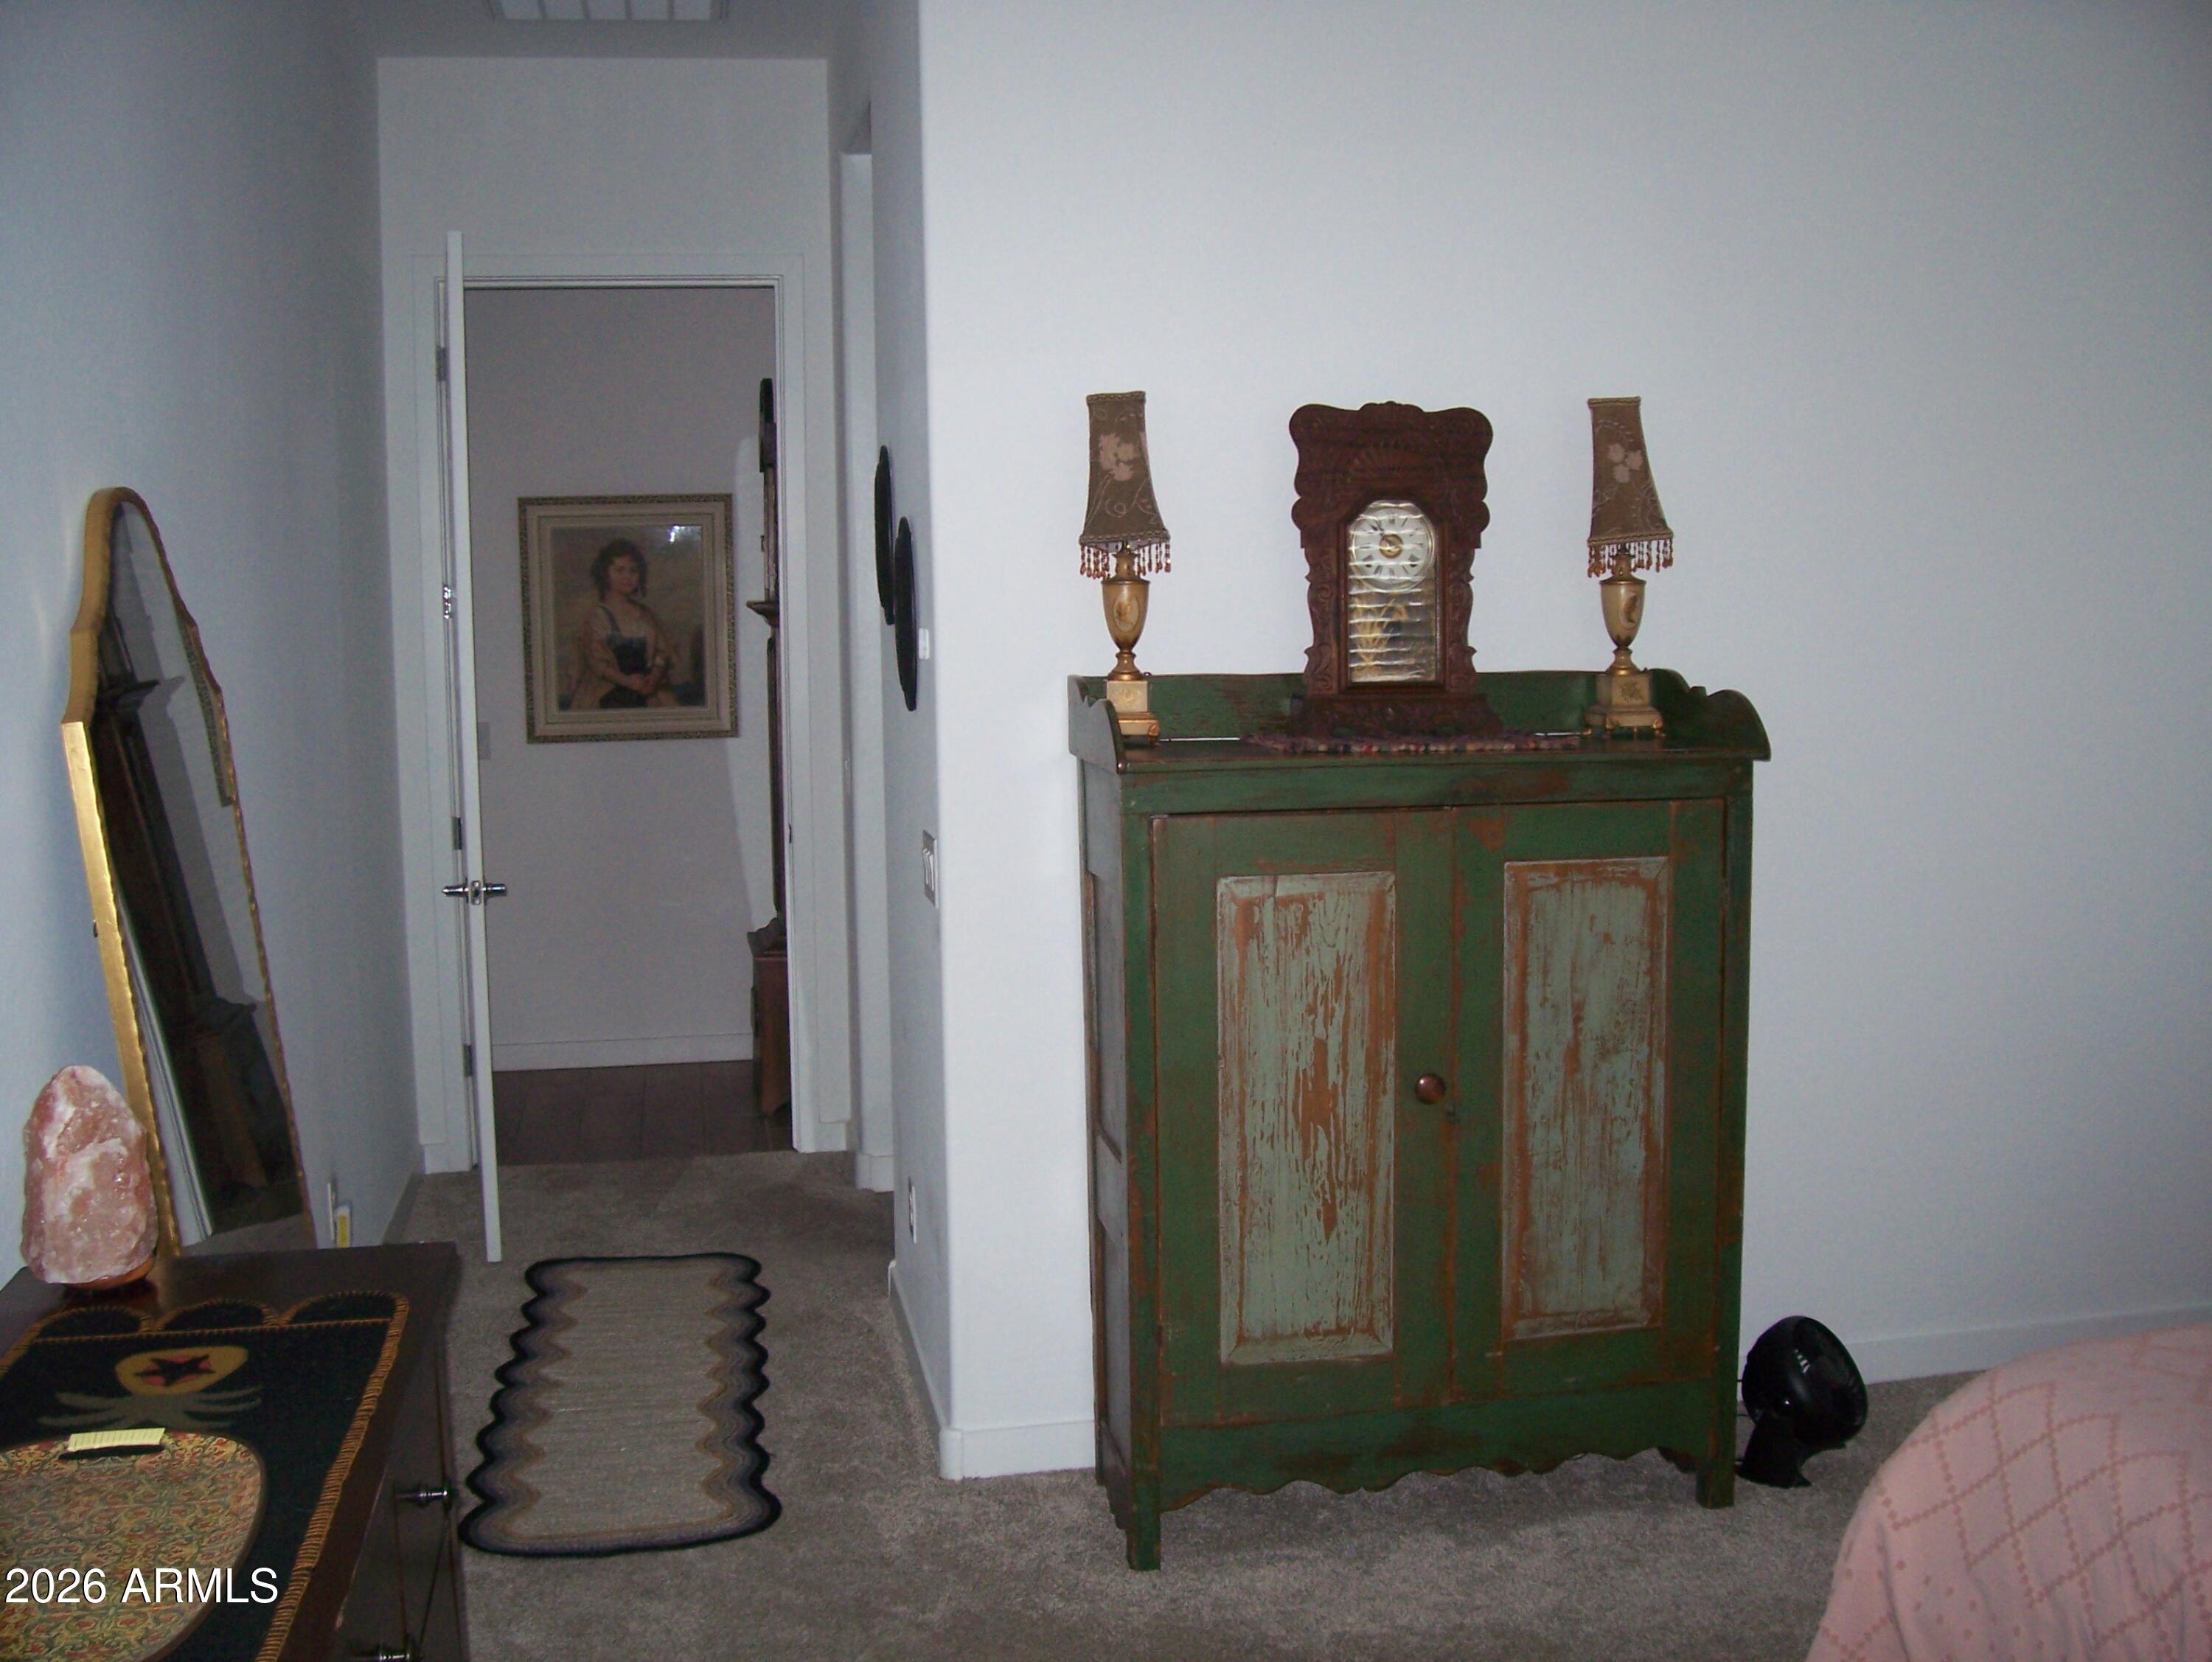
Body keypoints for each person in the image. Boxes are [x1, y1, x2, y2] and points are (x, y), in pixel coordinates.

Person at [568, 538, 679, 710]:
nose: (627, 577)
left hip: (648, 691)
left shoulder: (646, 615)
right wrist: (627, 681)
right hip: (608, 694)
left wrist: (654, 677)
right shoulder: (597, 617)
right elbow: (597, 663)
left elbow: (663, 651)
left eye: (633, 571)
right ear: (606, 574)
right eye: (620, 570)